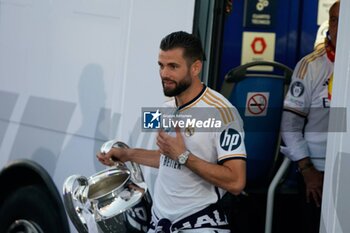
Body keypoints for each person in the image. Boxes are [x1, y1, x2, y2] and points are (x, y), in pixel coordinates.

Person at [97, 31, 246, 233]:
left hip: (201, 224)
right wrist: (127, 154)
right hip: (160, 223)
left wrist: (183, 155)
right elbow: (167, 159)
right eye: (161, 65)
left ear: (195, 67)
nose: (164, 74)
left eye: (173, 66)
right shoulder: (167, 107)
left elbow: (236, 182)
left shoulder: (222, 113)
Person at [280, 1, 339, 232]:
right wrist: (307, 170)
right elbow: (290, 125)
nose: (337, 26)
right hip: (317, 172)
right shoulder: (311, 65)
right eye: (333, 19)